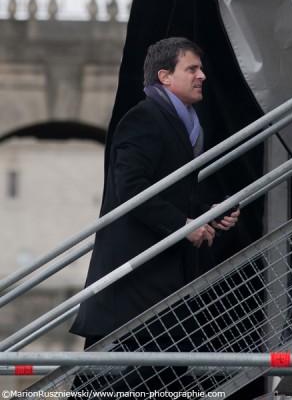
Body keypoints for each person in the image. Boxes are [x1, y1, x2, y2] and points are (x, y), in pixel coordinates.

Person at [70, 37, 239, 350]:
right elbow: (131, 188)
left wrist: (209, 215)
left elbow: (169, 194)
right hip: (134, 286)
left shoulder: (183, 124)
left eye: (200, 68)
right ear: (165, 77)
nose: (202, 76)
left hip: (158, 281)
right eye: (192, 69)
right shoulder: (144, 118)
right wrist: (184, 226)